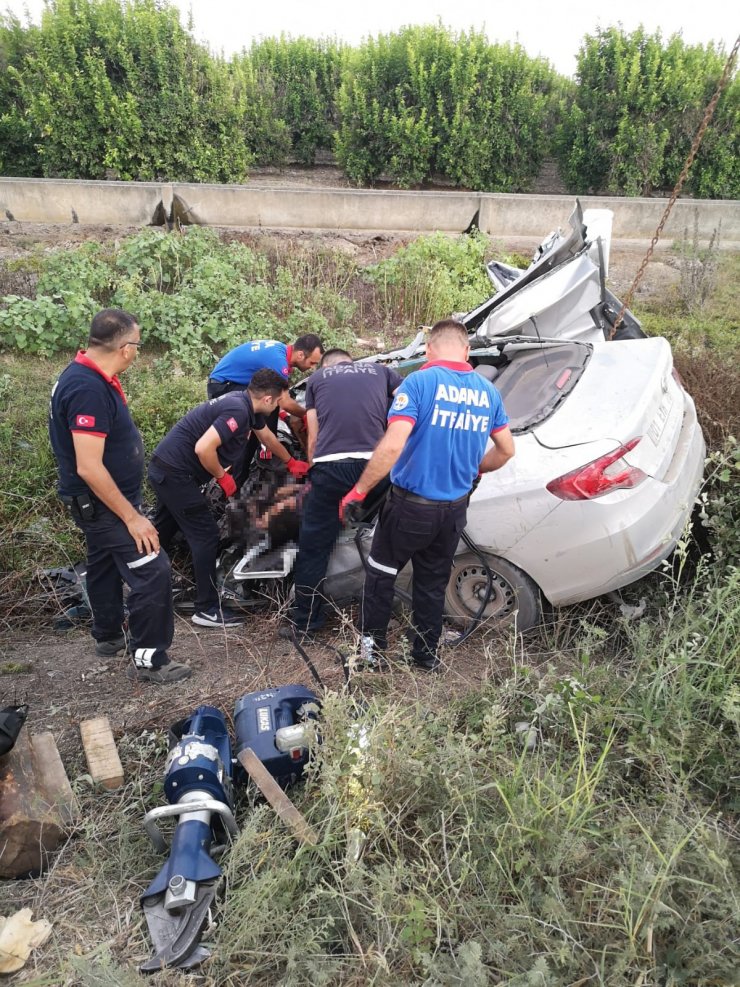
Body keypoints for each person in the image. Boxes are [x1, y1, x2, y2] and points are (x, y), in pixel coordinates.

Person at [339, 319, 515, 673]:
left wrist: (358, 491)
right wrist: (475, 469)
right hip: (453, 512)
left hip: (409, 509)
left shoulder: (419, 382)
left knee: (380, 577)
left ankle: (372, 657)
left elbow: (392, 444)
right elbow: (506, 450)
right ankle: (425, 655)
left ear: (429, 349)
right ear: (466, 351)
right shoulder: (487, 392)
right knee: (432, 582)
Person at [48, 309, 191, 684]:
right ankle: (151, 660)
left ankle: (108, 635)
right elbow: (89, 467)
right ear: (126, 348)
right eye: (138, 345)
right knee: (152, 570)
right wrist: (132, 516)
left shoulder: (89, 375)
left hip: (100, 502)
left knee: (103, 563)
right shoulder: (86, 389)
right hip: (103, 504)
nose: (138, 352)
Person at [148, 369, 306, 628]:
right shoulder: (237, 411)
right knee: (206, 535)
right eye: (279, 401)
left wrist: (291, 462)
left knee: (162, 530)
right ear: (267, 399)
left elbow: (265, 436)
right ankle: (207, 608)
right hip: (175, 475)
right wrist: (222, 476)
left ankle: (137, 578)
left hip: (167, 470)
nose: (280, 406)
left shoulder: (246, 406)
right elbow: (203, 448)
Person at [281, 349, 402, 637]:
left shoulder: (316, 379)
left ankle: (307, 623)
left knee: (313, 547)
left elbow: (314, 432)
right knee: (388, 534)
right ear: (351, 362)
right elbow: (408, 404)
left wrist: (314, 472)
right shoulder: (381, 371)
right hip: (377, 464)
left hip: (332, 468)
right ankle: (385, 608)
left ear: (326, 365)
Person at [207, 335, 323, 470]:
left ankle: (264, 449)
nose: (313, 368)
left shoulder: (281, 350)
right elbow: (284, 402)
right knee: (266, 406)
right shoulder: (278, 362)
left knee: (270, 401)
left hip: (231, 382)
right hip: (223, 386)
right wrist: (307, 415)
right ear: (301, 355)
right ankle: (265, 455)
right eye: (312, 363)